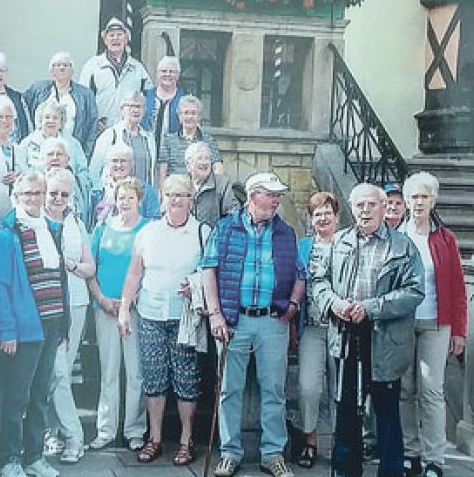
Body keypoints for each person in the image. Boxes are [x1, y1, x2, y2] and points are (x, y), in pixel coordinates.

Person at [309, 183, 423, 477]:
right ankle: (346, 471)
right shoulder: (339, 241)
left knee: (386, 412)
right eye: (359, 205)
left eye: (372, 204)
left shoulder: (402, 246)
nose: (365, 210)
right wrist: (333, 303)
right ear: (352, 208)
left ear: (385, 208)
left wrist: (371, 307)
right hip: (346, 334)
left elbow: (413, 292)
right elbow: (319, 282)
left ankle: (390, 472)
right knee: (346, 410)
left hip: (385, 336)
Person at [201, 172, 304, 477]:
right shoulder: (225, 228)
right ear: (252, 196)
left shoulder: (286, 233)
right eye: (271, 194)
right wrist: (216, 314)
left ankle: (272, 453)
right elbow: (209, 271)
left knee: (274, 389)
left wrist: (294, 306)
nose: (276, 200)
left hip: (273, 320)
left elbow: (300, 273)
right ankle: (230, 452)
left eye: (278, 195)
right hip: (234, 320)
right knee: (229, 389)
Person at [118, 175, 209, 466]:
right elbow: (134, 273)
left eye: (182, 195)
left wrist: (194, 284)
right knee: (154, 379)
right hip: (150, 315)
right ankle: (154, 437)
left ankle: (186, 440)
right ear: (162, 197)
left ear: (191, 200)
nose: (176, 200)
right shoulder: (148, 232)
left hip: (185, 319)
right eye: (171, 194)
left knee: (186, 380)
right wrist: (123, 308)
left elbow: (211, 274)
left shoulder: (202, 232)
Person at [0, 171, 68, 477]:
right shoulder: (5, 234)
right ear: (16, 196)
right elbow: (3, 288)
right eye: (27, 194)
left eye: (39, 193)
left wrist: (63, 326)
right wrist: (7, 330)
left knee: (40, 395)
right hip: (24, 329)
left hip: (52, 324)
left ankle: (34, 456)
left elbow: (58, 278)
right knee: (17, 396)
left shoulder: (50, 229)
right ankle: (10, 459)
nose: (34, 199)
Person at [397, 172, 466, 477]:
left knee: (431, 389)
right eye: (413, 197)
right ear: (406, 201)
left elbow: (458, 287)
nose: (419, 202)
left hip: (437, 323)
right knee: (404, 388)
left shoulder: (445, 238)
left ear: (433, 201)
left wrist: (460, 330)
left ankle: (434, 459)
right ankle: (410, 452)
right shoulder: (395, 236)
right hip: (401, 323)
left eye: (424, 197)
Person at [87, 178, 149, 452]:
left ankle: (135, 430)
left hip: (135, 309)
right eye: (121, 197)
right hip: (105, 308)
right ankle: (106, 429)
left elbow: (149, 270)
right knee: (108, 372)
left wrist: (131, 301)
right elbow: (90, 268)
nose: (125, 202)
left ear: (139, 200)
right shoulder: (101, 228)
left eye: (130, 198)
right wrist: (101, 299)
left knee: (135, 373)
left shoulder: (148, 229)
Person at [42, 169, 96, 464]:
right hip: (47, 305)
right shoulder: (36, 222)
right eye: (53, 193)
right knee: (56, 372)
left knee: (59, 373)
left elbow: (90, 269)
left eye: (64, 194)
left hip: (76, 303)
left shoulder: (76, 222)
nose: (58, 199)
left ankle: (54, 432)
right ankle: (72, 435)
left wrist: (70, 265)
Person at [295, 192, 340, 469]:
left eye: (327, 212)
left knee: (340, 389)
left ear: (337, 216)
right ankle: (310, 440)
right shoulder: (303, 246)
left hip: (341, 328)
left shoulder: (348, 243)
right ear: (311, 220)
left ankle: (339, 443)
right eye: (317, 213)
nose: (322, 217)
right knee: (308, 387)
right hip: (310, 327)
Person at [79, 17, 152, 130]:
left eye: (119, 35)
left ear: (126, 38)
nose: (115, 39)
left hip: (129, 129)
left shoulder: (137, 68)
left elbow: (149, 99)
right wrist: (93, 123)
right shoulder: (93, 66)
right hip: (100, 130)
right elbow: (83, 99)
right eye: (111, 35)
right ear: (105, 40)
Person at [22, 52, 98, 157]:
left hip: (72, 149)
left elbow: (92, 127)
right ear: (51, 71)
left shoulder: (85, 94)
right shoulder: (38, 89)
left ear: (72, 70)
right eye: (57, 65)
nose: (62, 68)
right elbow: (23, 111)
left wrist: (85, 154)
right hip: (39, 149)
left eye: (66, 65)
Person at [89, 91, 156, 188]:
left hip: (144, 197)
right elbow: (94, 171)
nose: (135, 110)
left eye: (139, 107)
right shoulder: (110, 136)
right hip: (116, 198)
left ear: (144, 110)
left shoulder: (149, 139)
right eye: (131, 106)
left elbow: (152, 173)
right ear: (122, 109)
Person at [156, 94, 224, 185]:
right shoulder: (168, 140)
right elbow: (162, 171)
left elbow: (218, 168)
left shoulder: (208, 140)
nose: (190, 117)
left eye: (193, 113)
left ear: (199, 117)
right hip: (176, 191)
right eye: (186, 113)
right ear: (180, 116)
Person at [89, 142, 160, 225]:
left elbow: (155, 223)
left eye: (123, 161)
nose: (119, 165)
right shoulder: (97, 192)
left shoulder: (146, 191)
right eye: (114, 161)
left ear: (131, 164)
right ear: (107, 164)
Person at [21, 99, 89, 175]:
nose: (51, 121)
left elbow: (83, 172)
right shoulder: (26, 144)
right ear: (40, 120)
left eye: (55, 118)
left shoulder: (73, 144)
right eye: (47, 117)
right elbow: (21, 171)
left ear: (61, 122)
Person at [185, 142, 239, 227]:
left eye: (207, 158)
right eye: (199, 158)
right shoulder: (181, 184)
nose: (204, 163)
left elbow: (233, 213)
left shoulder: (222, 184)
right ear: (189, 164)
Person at [40, 138, 93, 226]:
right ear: (42, 159)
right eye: (50, 154)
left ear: (68, 159)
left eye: (59, 154)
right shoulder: (36, 184)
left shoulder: (80, 184)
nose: (55, 158)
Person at [141, 55, 185, 155]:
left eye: (172, 71)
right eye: (164, 71)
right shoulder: (144, 96)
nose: (167, 74)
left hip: (174, 154)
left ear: (178, 75)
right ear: (157, 73)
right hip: (146, 152)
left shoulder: (185, 99)